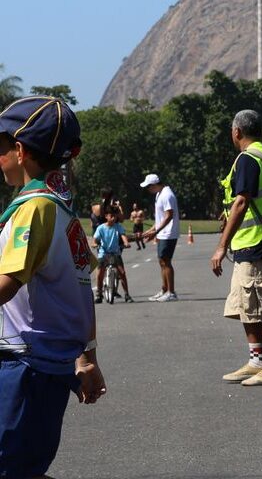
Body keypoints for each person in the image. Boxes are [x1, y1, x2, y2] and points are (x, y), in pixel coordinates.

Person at [0, 96, 105, 477]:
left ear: (19, 149)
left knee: (11, 466)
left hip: (25, 365)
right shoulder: (62, 210)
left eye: (1, 146)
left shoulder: (35, 209)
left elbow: (7, 285)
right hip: (48, 367)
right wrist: (87, 357)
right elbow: (81, 291)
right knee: (25, 465)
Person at [210, 109, 262, 387]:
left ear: (237, 132)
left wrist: (221, 246)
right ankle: (257, 360)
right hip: (250, 241)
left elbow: (242, 201)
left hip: (256, 241)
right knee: (248, 304)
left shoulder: (248, 158)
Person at [140, 172, 179, 301]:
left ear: (155, 184)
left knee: (166, 261)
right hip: (162, 233)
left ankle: (171, 292)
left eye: (148, 186)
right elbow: (160, 219)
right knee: (162, 261)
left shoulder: (167, 195)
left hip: (168, 233)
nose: (148, 189)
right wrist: (151, 231)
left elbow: (169, 216)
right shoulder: (159, 194)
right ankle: (164, 289)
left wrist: (156, 232)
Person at [92, 204, 133, 303]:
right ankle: (99, 294)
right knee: (100, 274)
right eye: (112, 216)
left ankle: (127, 295)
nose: (114, 218)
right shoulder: (101, 228)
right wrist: (94, 244)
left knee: (122, 273)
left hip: (115, 253)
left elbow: (123, 235)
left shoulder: (118, 226)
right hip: (104, 253)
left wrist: (126, 243)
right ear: (106, 216)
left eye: (115, 216)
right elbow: (95, 239)